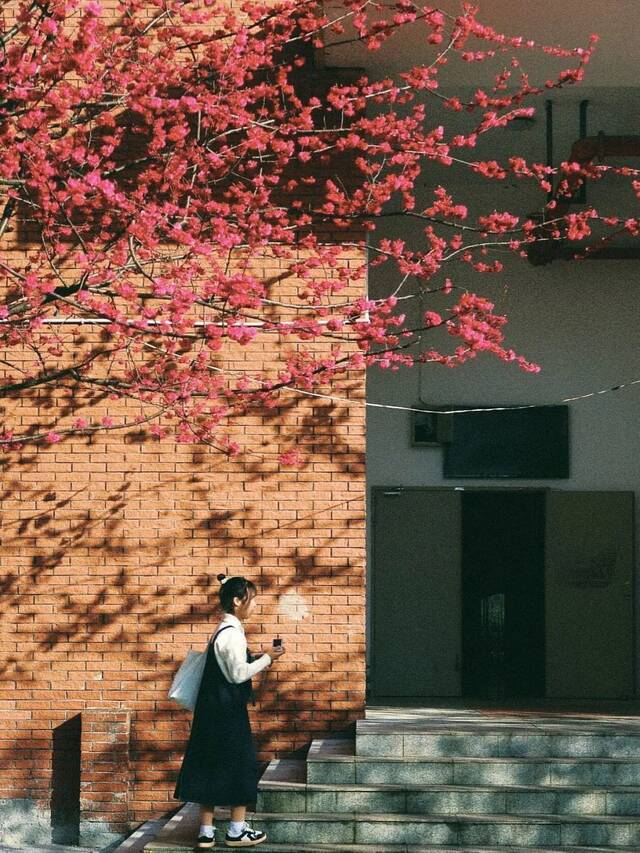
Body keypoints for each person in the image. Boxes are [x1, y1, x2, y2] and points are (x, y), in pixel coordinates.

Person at [174, 574, 285, 849]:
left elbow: (229, 666)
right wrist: (268, 658)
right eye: (252, 599)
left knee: (207, 765)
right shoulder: (233, 634)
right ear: (237, 601)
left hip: (209, 713)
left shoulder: (220, 631)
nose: (255, 605)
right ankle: (236, 829)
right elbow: (238, 674)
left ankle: (206, 831)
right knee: (241, 765)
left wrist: (259, 655)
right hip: (228, 714)